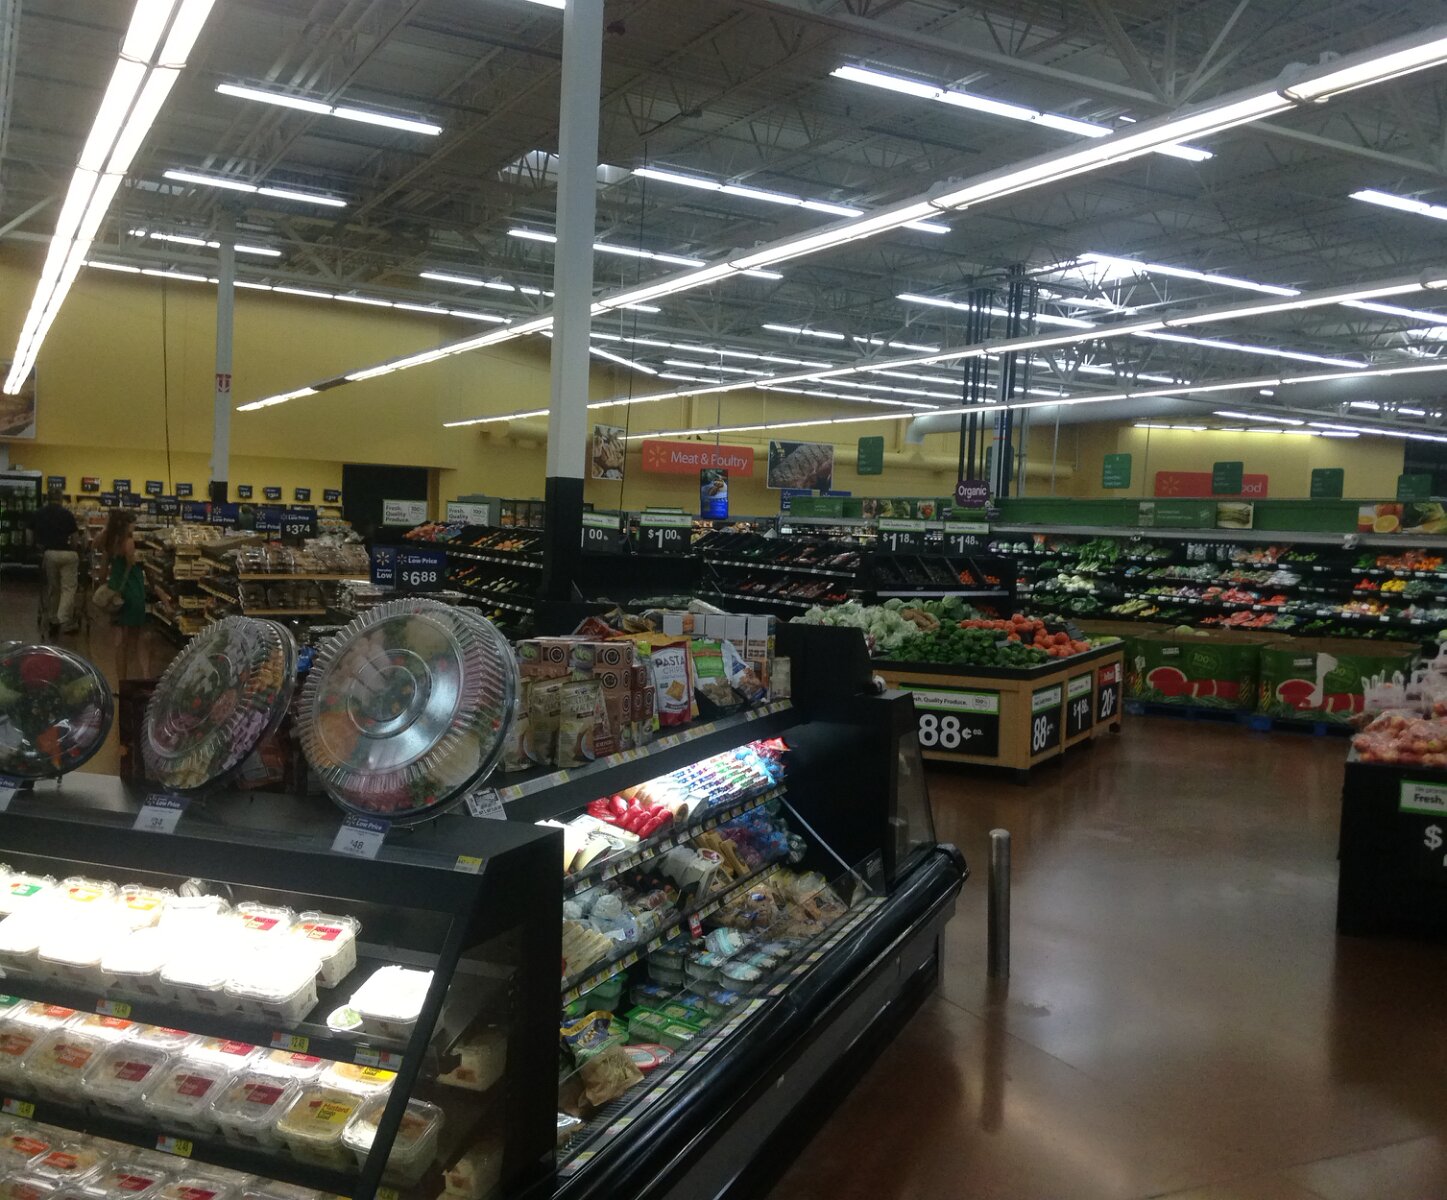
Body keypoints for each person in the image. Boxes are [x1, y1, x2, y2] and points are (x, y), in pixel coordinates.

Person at [98, 509, 150, 682]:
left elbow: (102, 573)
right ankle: (137, 681)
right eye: (132, 523)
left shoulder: (109, 543)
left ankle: (121, 681)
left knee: (119, 640)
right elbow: (131, 566)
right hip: (132, 591)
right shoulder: (129, 542)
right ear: (127, 524)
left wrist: (107, 588)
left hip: (115, 592)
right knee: (136, 640)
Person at [31, 489, 80, 637]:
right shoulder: (67, 514)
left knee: (53, 588)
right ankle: (62, 619)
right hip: (68, 554)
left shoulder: (39, 513)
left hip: (49, 553)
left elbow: (30, 534)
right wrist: (74, 550)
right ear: (60, 498)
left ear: (47, 498)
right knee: (68, 588)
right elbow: (75, 537)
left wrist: (37, 547)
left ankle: (53, 618)